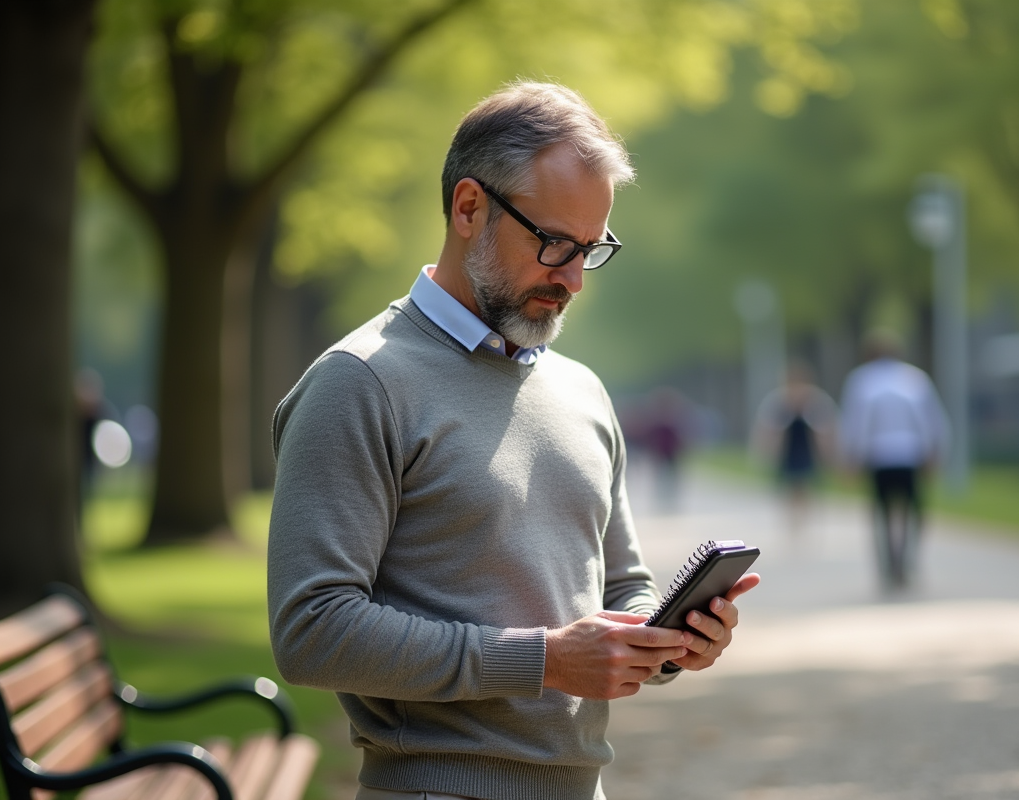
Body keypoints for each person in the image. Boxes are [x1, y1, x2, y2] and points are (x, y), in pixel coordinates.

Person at [267, 81, 760, 800]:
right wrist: (547, 660)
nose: (574, 280)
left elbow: (622, 583)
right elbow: (312, 631)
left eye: (590, 249)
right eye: (555, 243)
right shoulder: (359, 382)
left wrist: (664, 640)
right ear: (469, 208)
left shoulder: (581, 391)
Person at [837, 330, 949, 589]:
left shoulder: (861, 379)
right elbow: (933, 419)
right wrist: (936, 451)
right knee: (912, 510)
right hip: (910, 453)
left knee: (882, 512)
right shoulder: (915, 377)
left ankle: (888, 564)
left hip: (878, 455)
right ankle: (907, 559)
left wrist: (850, 457)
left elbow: (854, 421)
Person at [751, 361, 837, 529]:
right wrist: (764, 452)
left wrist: (829, 454)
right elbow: (765, 428)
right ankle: (792, 518)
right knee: (789, 486)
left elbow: (827, 429)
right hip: (787, 450)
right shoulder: (777, 401)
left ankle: (803, 516)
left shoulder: (817, 401)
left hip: (807, 449)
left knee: (805, 485)